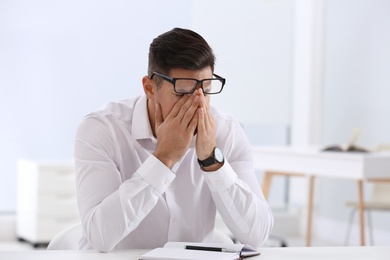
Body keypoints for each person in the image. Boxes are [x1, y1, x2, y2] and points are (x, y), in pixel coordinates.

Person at [74, 27, 273, 252]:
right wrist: (163, 159)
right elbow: (100, 236)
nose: (198, 105)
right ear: (150, 88)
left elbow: (257, 235)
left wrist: (213, 162)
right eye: (182, 93)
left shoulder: (227, 131)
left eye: (205, 91)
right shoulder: (102, 129)